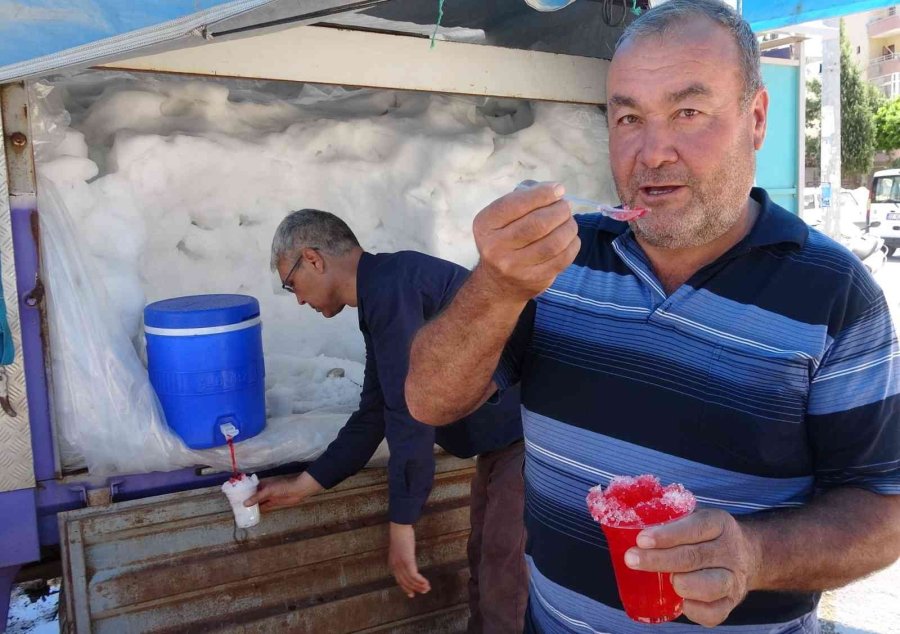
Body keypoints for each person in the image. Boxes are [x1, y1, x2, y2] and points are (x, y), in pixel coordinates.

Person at [404, 1, 900, 632]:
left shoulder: (835, 294)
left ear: (755, 119)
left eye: (687, 112)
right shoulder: (557, 260)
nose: (651, 152)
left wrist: (753, 554)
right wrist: (495, 286)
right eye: (628, 117)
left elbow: (883, 512)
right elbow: (429, 400)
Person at [248, 209, 528, 633]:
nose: (299, 299)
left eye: (291, 284)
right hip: (501, 442)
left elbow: (408, 411)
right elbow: (376, 410)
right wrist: (307, 483)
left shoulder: (394, 287)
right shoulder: (384, 290)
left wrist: (402, 524)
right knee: (487, 565)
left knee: (503, 584)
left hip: (526, 439)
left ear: (313, 259)